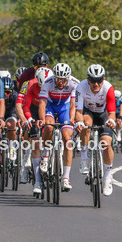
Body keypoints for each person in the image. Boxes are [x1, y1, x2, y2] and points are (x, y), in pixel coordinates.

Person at [73, 63, 118, 196]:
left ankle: (107, 177)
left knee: (106, 143)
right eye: (93, 80)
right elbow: (79, 111)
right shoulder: (81, 87)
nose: (96, 84)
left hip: (103, 114)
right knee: (86, 124)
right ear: (88, 79)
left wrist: (111, 120)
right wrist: (79, 122)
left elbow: (111, 112)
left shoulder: (108, 88)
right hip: (88, 113)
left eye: (99, 81)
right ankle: (84, 158)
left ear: (103, 79)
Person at [37, 62, 78, 192]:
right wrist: (42, 120)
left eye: (63, 79)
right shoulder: (47, 82)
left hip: (64, 108)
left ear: (68, 78)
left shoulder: (74, 83)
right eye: (58, 79)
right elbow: (42, 104)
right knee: (48, 127)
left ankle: (66, 177)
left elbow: (72, 105)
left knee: (67, 138)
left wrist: (71, 119)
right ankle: (45, 153)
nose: (60, 82)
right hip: (50, 105)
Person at [18, 66, 49, 195]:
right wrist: (28, 119)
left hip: (48, 109)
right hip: (33, 109)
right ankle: (36, 178)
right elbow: (24, 105)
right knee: (35, 141)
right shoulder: (29, 84)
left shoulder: (53, 82)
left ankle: (51, 157)